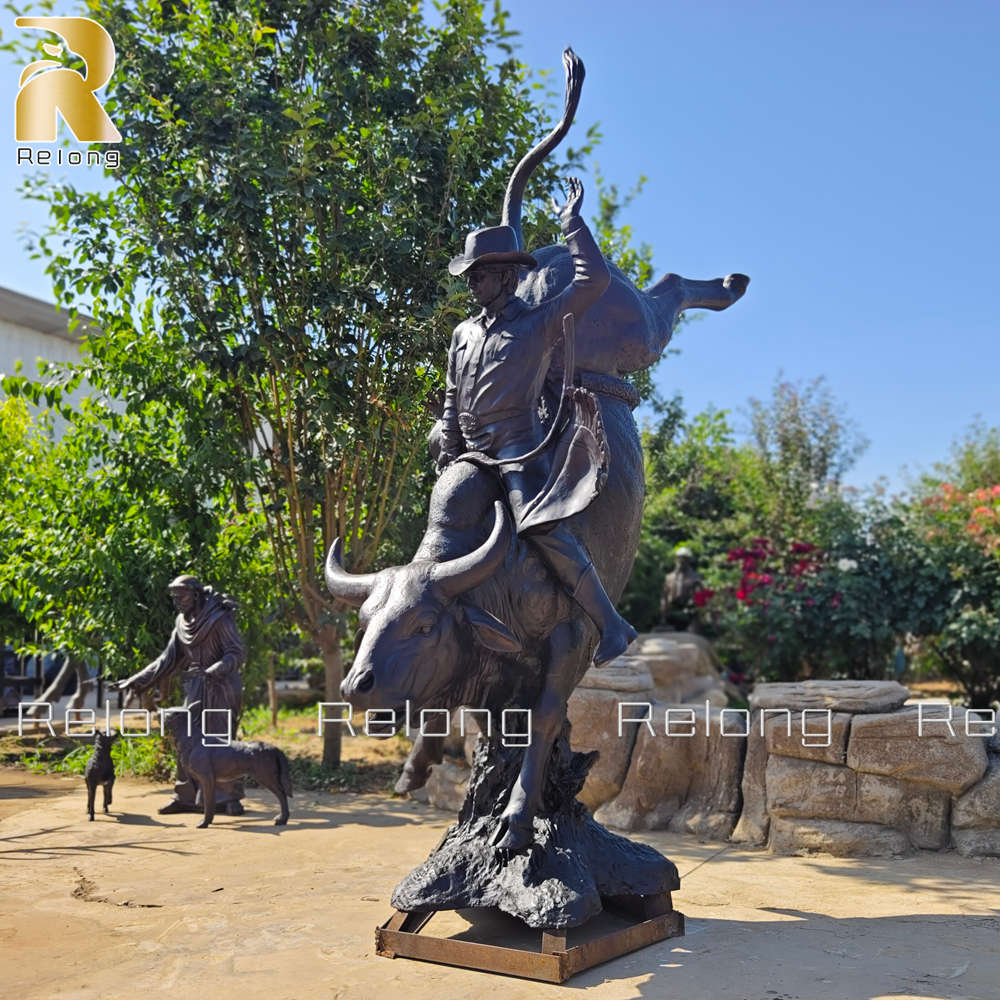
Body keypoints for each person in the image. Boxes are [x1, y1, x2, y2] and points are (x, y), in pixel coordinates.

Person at [439, 177, 636, 665]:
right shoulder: (463, 333)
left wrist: (572, 224)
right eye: (469, 274)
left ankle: (611, 624)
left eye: (480, 274)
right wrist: (448, 443)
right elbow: (452, 393)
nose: (472, 283)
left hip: (517, 449)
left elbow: (593, 282)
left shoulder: (538, 321)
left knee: (539, 526)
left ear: (507, 277)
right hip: (469, 450)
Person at [116, 575, 245, 814]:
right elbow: (167, 660)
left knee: (220, 741)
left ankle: (228, 798)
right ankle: (185, 796)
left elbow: (236, 653)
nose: (177, 602)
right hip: (197, 687)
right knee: (187, 741)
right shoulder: (181, 623)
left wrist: (215, 669)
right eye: (174, 597)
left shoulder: (220, 618)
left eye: (181, 597)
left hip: (222, 688)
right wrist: (136, 680)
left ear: (195, 595)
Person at [660, 547, 705, 631]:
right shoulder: (669, 577)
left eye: (685, 558)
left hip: (689, 611)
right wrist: (664, 613)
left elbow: (700, 596)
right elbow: (664, 596)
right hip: (672, 610)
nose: (682, 561)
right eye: (679, 558)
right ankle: (666, 622)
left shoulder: (695, 577)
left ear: (689, 560)